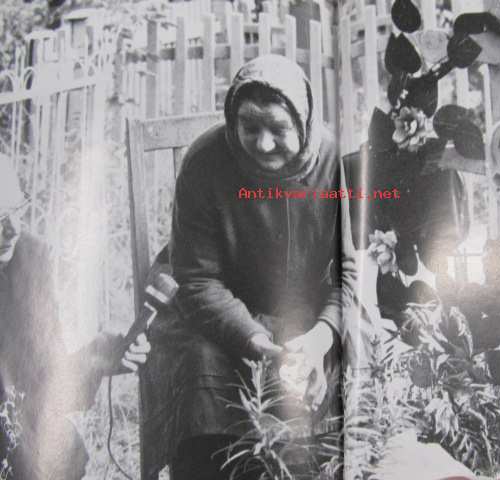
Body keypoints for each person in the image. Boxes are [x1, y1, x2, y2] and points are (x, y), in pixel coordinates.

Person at [145, 54, 357, 480]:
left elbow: (345, 272)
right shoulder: (204, 162)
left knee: (340, 375)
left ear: (303, 123)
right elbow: (198, 279)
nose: (262, 144)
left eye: (278, 129)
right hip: (217, 319)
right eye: (250, 127)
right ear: (233, 121)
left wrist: (318, 339)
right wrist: (258, 343)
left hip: (301, 319)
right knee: (199, 372)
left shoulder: (329, 160)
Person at [0, 158, 151, 479]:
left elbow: (45, 379)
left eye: (17, 210)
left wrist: (103, 354)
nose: (13, 229)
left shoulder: (30, 258)